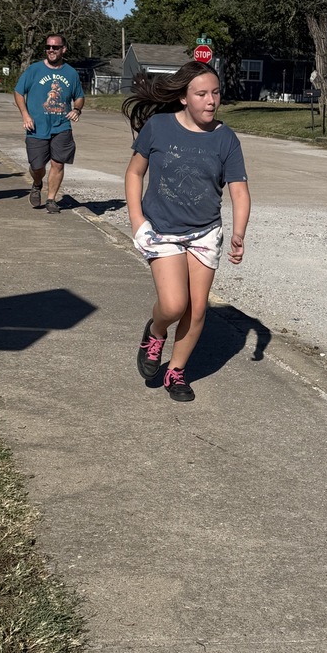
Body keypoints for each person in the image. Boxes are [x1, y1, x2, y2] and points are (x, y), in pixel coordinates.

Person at [123, 61, 250, 402]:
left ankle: (176, 372)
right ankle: (155, 331)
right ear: (182, 97)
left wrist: (238, 233)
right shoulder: (159, 127)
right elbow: (134, 174)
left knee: (196, 310)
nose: (211, 101)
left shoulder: (225, 138)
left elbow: (239, 189)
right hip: (161, 229)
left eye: (216, 93)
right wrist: (137, 221)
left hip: (204, 232)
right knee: (174, 303)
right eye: (201, 94)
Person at [13, 34, 85, 214]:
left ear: (63, 49)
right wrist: (25, 115)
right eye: (48, 47)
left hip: (61, 126)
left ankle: (51, 199)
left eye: (55, 47)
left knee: (58, 163)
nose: (51, 50)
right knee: (37, 166)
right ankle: (37, 183)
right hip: (36, 126)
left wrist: (76, 110)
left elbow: (80, 97)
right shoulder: (34, 70)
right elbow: (19, 93)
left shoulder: (70, 72)